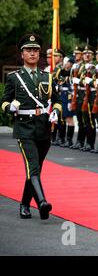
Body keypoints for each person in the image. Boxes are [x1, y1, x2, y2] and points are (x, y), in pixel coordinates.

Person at [1, 33, 62, 220]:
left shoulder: (47, 77)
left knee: (34, 169)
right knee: (33, 166)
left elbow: (57, 101)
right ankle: (42, 202)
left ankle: (25, 204)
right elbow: (3, 102)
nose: (33, 53)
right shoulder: (14, 78)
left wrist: (56, 112)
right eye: (28, 50)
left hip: (43, 127)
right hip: (24, 128)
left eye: (35, 50)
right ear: (22, 54)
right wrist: (9, 107)